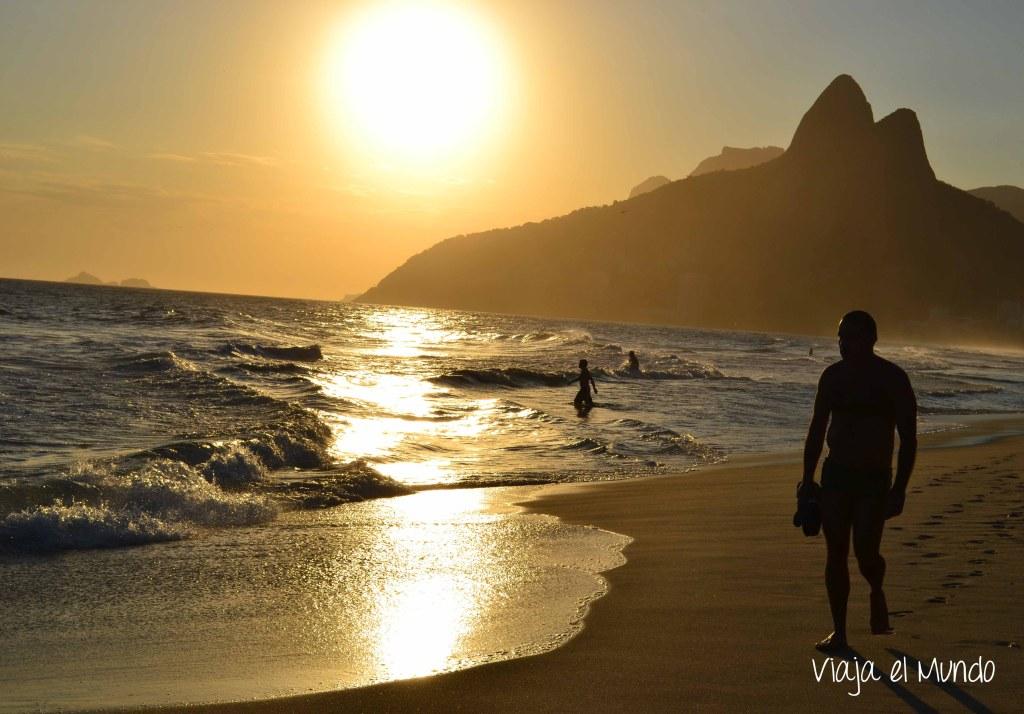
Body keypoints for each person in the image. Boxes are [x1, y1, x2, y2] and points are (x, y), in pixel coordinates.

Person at [801, 310, 917, 652]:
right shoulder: (832, 378)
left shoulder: (893, 379)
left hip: (874, 481)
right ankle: (840, 632)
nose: (843, 344)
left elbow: (908, 439)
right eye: (841, 337)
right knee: (835, 553)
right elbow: (817, 430)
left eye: (850, 337)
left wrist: (900, 489)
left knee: (866, 554)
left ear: (870, 340)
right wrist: (807, 480)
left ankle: (876, 590)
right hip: (836, 475)